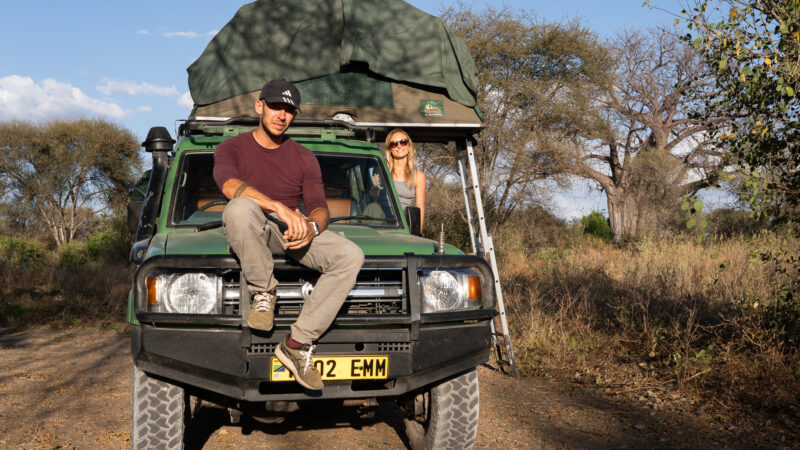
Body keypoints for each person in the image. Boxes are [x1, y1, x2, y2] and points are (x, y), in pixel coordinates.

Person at [213, 79, 364, 391]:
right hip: (255, 228)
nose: (281, 115)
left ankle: (297, 344)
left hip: (293, 233)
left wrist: (311, 228)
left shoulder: (304, 156)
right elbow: (229, 186)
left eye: (289, 110)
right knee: (239, 208)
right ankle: (264, 294)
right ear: (260, 106)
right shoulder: (231, 147)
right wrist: (278, 207)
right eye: (275, 107)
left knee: (351, 255)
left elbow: (320, 207)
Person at [383, 129, 426, 229]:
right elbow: (373, 196)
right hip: (382, 220)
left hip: (405, 224)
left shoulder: (419, 176)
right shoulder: (381, 171)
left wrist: (417, 234)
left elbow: (420, 207)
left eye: (403, 142)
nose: (399, 146)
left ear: (409, 146)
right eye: (394, 144)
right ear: (389, 149)